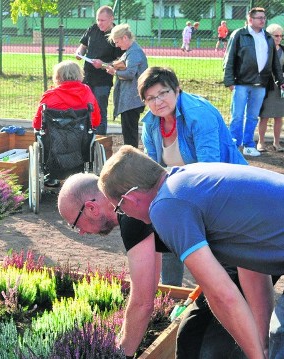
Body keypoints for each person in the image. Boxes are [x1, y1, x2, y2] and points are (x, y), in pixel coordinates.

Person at [96, 145, 284, 358]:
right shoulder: (188, 181)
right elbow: (252, 268)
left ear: (129, 199)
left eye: (119, 209)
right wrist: (262, 347)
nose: (123, 215)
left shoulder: (166, 205)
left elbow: (221, 295)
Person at [58, 173, 253, 358]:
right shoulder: (133, 196)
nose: (81, 233)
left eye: (75, 224)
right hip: (245, 236)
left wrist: (121, 354)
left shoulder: (130, 212)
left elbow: (143, 303)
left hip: (248, 240)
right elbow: (149, 287)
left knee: (194, 339)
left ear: (91, 208)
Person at [138, 66, 247, 286]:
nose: (158, 101)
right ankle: (171, 291)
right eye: (150, 98)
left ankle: (218, 293)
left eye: (163, 93)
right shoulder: (150, 123)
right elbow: (153, 170)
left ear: (177, 90)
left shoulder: (199, 114)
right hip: (184, 186)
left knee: (217, 249)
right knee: (164, 218)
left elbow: (210, 170)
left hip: (225, 187)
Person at [223, 7, 284, 157]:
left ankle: (249, 144)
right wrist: (229, 81)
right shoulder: (239, 34)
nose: (263, 20)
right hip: (241, 83)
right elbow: (229, 58)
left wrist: (280, 80)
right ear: (250, 19)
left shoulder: (268, 38)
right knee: (237, 115)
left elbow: (275, 62)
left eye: (264, 17)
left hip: (260, 85)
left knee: (252, 116)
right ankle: (234, 145)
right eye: (259, 18)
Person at [75, 6, 125, 136]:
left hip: (103, 81)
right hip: (87, 77)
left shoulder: (117, 35)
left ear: (111, 19)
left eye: (103, 20)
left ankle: (100, 140)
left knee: (99, 110)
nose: (100, 23)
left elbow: (121, 63)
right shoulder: (93, 29)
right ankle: (85, 137)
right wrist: (79, 53)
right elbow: (83, 45)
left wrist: (103, 65)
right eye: (98, 19)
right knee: (84, 108)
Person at [105, 23, 147, 148]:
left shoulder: (134, 52)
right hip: (130, 100)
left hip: (132, 100)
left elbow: (130, 73)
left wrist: (115, 72)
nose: (117, 45)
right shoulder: (131, 51)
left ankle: (131, 156)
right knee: (128, 131)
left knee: (130, 132)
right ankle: (130, 154)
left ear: (125, 37)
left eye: (117, 42)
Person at [33, 60, 101, 131]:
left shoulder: (49, 95)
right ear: (79, 74)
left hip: (53, 139)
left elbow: (37, 123)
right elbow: (96, 121)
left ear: (57, 76)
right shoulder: (87, 91)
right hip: (81, 138)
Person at [258, 24, 284, 152]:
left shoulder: (283, 50)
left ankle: (276, 143)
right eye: (276, 35)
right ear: (269, 36)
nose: (279, 38)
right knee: (265, 115)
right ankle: (261, 142)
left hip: (281, 88)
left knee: (279, 116)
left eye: (281, 36)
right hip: (267, 88)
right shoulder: (263, 50)